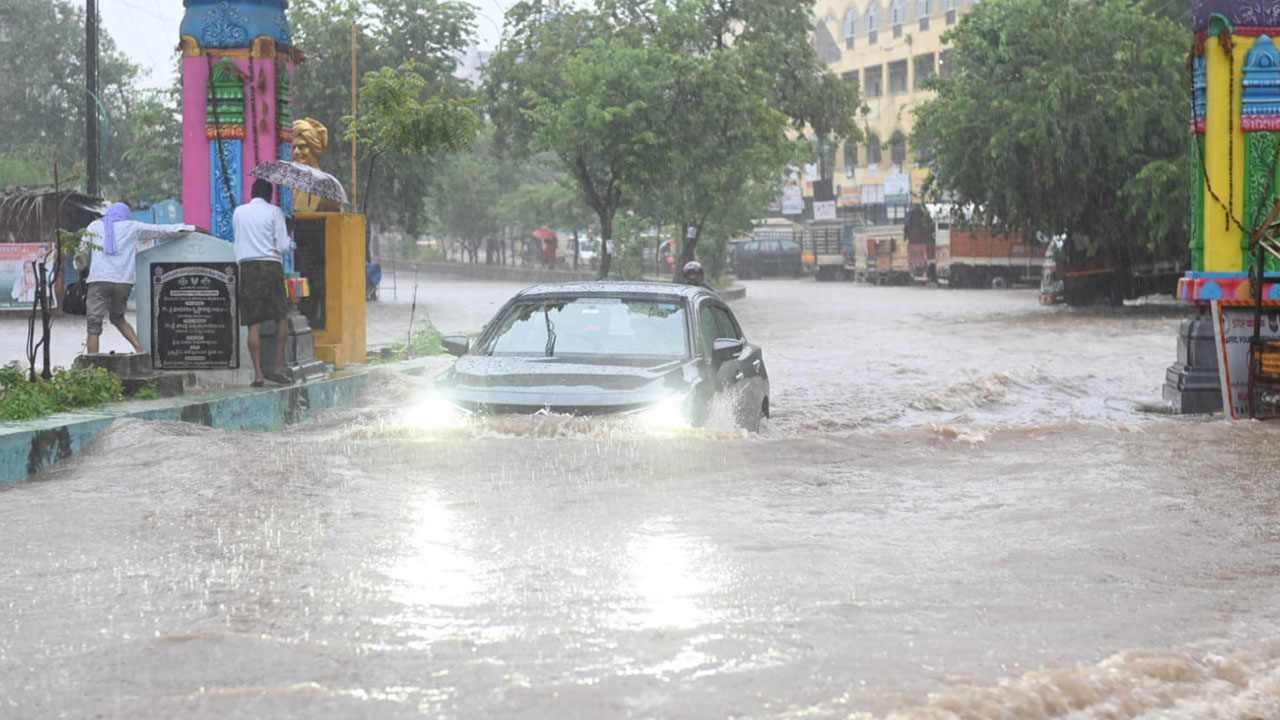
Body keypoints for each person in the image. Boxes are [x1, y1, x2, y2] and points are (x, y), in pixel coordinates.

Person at [81, 202, 194, 354]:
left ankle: (91, 366)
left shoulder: (94, 226)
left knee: (94, 325)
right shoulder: (132, 226)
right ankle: (140, 349)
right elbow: (160, 230)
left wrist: (80, 267)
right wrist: (189, 229)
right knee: (118, 318)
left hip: (99, 280)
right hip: (123, 282)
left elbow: (81, 253)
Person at [233, 179, 294, 387]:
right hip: (270, 267)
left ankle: (258, 374)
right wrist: (289, 234)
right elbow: (282, 246)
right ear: (270, 195)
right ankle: (278, 367)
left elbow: (239, 237)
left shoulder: (239, 212)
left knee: (254, 324)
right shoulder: (274, 212)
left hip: (248, 268)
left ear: (252, 193)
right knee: (281, 316)